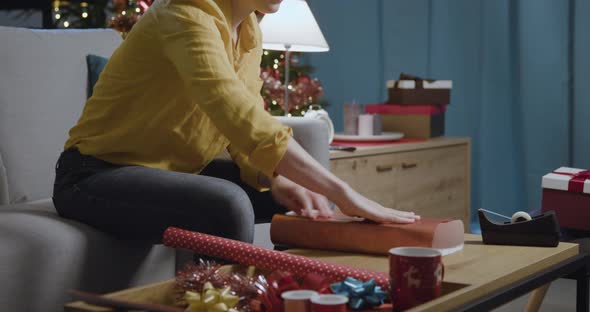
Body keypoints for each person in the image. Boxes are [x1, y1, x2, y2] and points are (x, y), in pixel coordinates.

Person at [52, 0, 420, 245]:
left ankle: (294, 297)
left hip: (173, 172)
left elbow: (244, 116)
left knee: (293, 202)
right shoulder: (183, 16)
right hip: (93, 176)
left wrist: (273, 180)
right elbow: (234, 111)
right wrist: (345, 193)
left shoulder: (248, 32)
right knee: (226, 203)